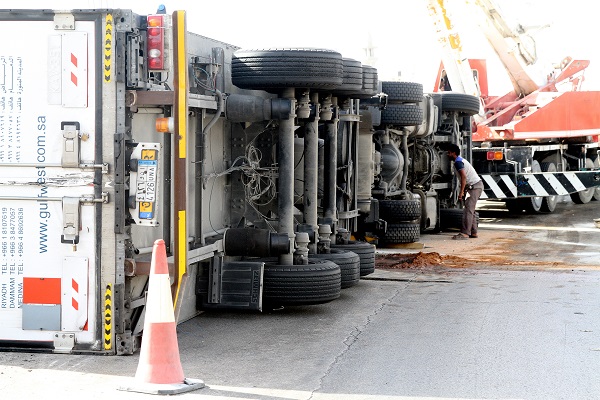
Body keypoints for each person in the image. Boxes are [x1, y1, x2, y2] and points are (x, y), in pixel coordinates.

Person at [446, 144, 484, 240]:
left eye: (449, 153)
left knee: (468, 211)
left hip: (474, 187)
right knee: (471, 210)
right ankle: (473, 232)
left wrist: (461, 192)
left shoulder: (458, 162)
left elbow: (463, 177)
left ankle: (465, 233)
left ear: (454, 153)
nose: (447, 154)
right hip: (475, 186)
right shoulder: (460, 160)